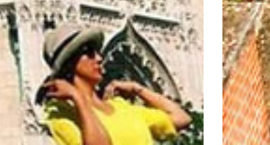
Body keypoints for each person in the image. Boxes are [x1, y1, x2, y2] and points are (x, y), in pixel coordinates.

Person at [39, 24, 191, 144]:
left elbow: (181, 118)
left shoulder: (121, 106)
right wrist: (78, 98)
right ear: (70, 64)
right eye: (89, 53)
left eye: (97, 52)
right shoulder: (60, 112)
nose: (99, 58)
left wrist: (137, 89)